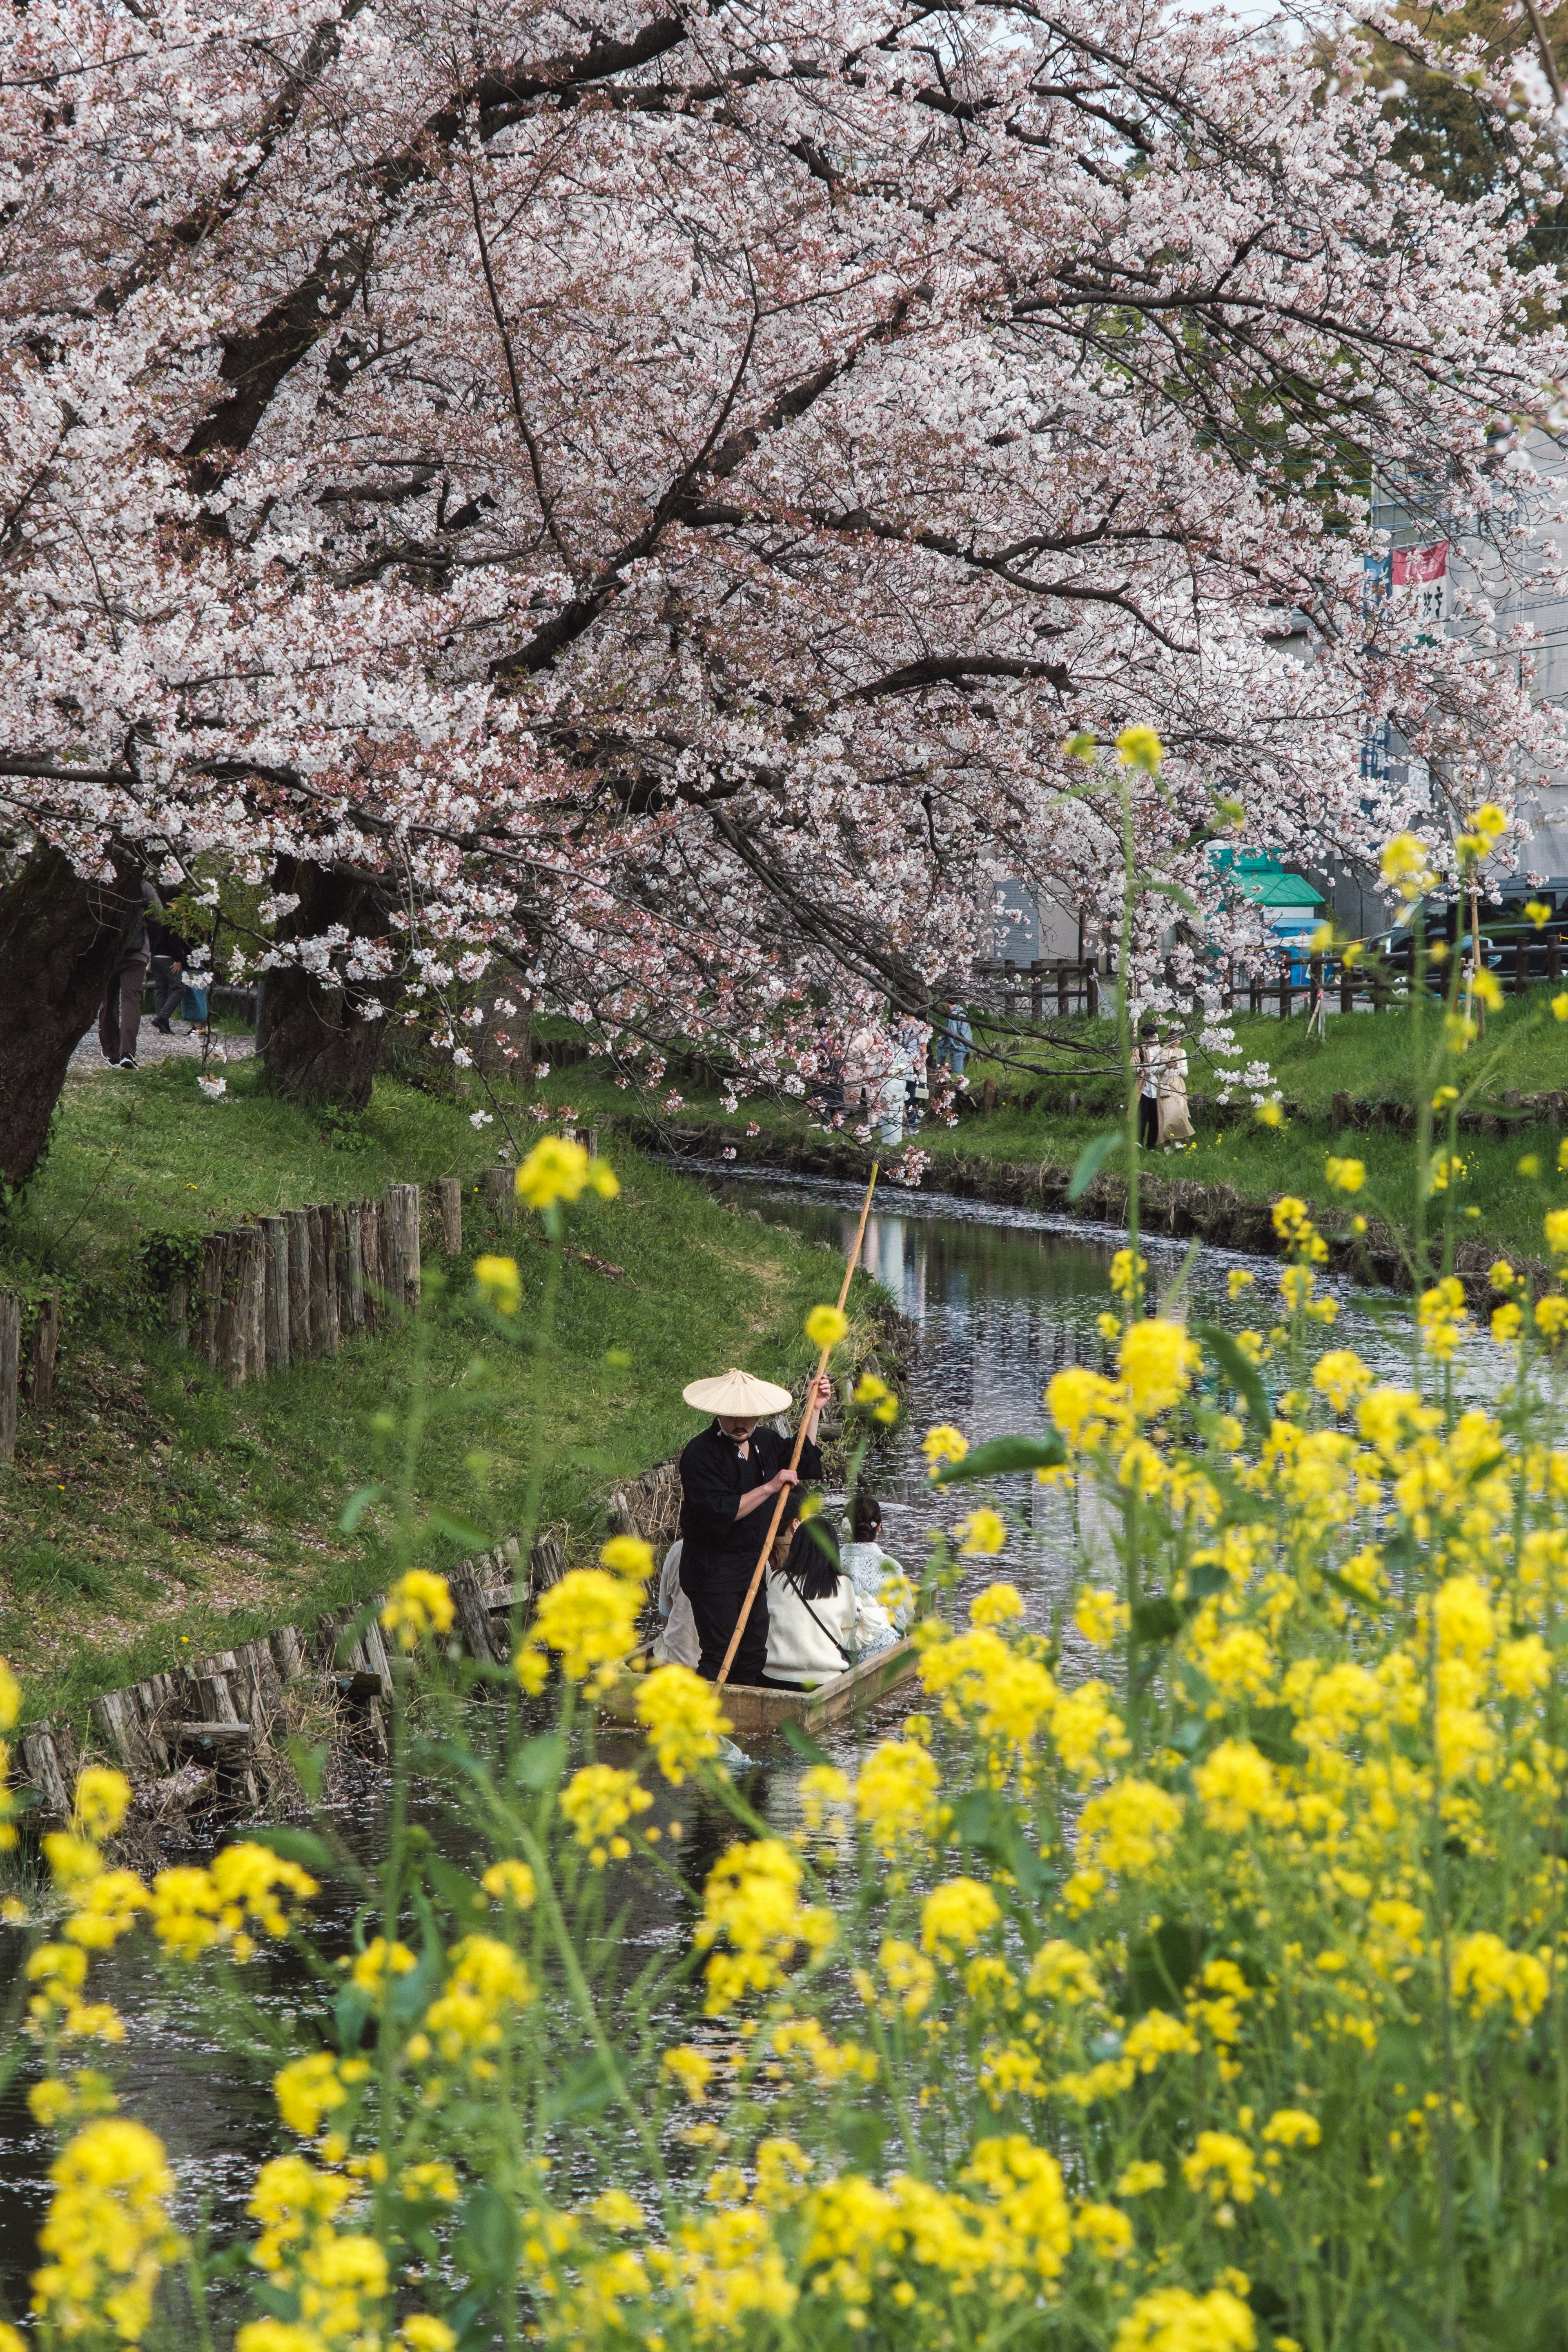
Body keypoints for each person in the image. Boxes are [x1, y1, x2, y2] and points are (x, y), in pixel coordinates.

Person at [677, 1365, 832, 1685]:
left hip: (751, 1565)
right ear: (719, 1413)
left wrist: (814, 1410)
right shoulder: (700, 1454)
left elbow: (799, 1458)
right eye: (733, 1416)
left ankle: (737, 1718)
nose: (740, 1424)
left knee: (752, 1653)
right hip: (711, 1569)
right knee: (719, 1653)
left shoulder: (765, 1440)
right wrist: (770, 1488)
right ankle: (697, 1717)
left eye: (748, 1417)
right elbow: (719, 1511)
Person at [763, 1521, 895, 1688]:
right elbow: (846, 1628)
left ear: (796, 1547)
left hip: (773, 1677)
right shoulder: (842, 1584)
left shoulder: (776, 1579)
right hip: (823, 1681)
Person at [98, 878, 160, 1069]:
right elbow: (159, 917)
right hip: (137, 953)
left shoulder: (102, 880)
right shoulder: (143, 885)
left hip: (107, 951)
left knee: (108, 1001)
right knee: (131, 1000)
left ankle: (111, 1051)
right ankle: (127, 1052)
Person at [839, 1492, 909, 1637]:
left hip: (838, 1645)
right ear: (879, 1527)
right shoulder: (891, 1566)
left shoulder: (832, 1562)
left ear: (846, 1525)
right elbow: (902, 1618)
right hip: (882, 1644)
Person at [652, 1537, 700, 1668]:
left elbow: (665, 1615)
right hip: (721, 1667)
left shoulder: (678, 1549)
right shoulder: (749, 1553)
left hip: (675, 1661)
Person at [147, 911, 190, 1036]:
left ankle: (163, 1025)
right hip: (168, 958)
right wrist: (178, 958)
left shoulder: (156, 913)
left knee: (161, 989)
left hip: (155, 956)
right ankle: (162, 1018)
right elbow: (174, 938)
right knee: (180, 988)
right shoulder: (172, 916)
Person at [1157, 1031, 1193, 1147]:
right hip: (1164, 1086)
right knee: (1165, 1115)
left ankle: (1178, 1140)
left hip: (1178, 1085)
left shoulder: (1182, 1052)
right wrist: (1165, 1066)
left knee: (1179, 1112)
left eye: (1178, 1039)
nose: (1175, 1041)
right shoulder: (1161, 1051)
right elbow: (1154, 1071)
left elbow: (1185, 1074)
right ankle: (1167, 1145)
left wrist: (1177, 1065)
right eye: (1172, 1038)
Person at [1135, 1014, 1160, 1149]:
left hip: (1158, 1086)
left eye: (1152, 1035)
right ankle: (1138, 1141)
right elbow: (1132, 1065)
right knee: (1142, 1115)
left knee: (1155, 1118)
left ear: (1156, 1035)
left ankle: (1152, 1144)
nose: (1150, 1039)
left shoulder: (1162, 1050)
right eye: (1147, 1036)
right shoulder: (1140, 1049)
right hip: (1143, 1086)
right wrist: (1140, 1068)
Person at [935, 1003, 973, 1078]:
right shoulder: (961, 1010)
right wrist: (943, 1038)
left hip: (958, 1047)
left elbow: (952, 1035)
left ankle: (941, 1068)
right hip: (966, 1042)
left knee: (957, 1076)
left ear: (946, 1002)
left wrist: (945, 1048)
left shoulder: (953, 1016)